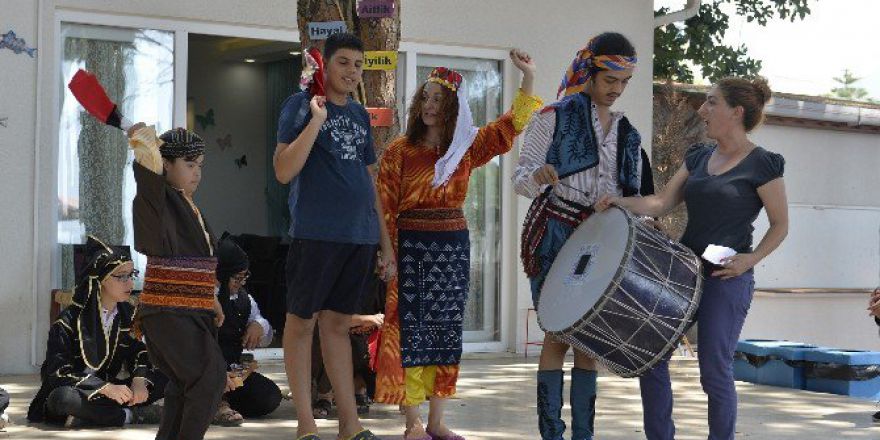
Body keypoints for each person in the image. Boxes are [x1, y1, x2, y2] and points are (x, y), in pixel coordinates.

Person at [594, 76, 788, 440]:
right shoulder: (698, 157)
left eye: (712, 102)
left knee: (714, 372)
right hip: (682, 272)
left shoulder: (763, 164)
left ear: (736, 112)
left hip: (726, 277)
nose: (702, 110)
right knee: (650, 357)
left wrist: (750, 259)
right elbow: (661, 203)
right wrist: (618, 202)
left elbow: (780, 225)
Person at [375, 49, 542, 440]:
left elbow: (511, 125)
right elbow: (382, 206)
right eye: (426, 97)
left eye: (438, 99)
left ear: (453, 107)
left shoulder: (465, 147)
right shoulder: (400, 150)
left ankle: (436, 422)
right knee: (410, 334)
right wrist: (387, 252)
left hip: (452, 250)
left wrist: (528, 76)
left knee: (446, 334)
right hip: (411, 249)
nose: (429, 105)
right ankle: (413, 423)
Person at [513, 32, 669, 440]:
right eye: (610, 80)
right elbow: (519, 178)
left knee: (590, 338)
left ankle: (583, 434)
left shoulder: (628, 133)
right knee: (557, 332)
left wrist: (640, 220)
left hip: (601, 241)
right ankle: (552, 433)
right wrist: (538, 175)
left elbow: (634, 195)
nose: (617, 90)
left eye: (624, 83)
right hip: (555, 232)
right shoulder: (552, 117)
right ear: (589, 72)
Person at [273, 32, 395, 440]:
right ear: (323, 64)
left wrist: (384, 243)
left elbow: (369, 180)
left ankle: (349, 424)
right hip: (315, 234)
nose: (352, 72)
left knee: (338, 325)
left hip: (359, 238)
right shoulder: (300, 105)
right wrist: (316, 120)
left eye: (358, 65)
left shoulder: (359, 114)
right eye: (343, 62)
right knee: (301, 324)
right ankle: (306, 423)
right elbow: (283, 170)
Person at [126, 123, 229, 440]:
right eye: (189, 164)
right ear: (165, 165)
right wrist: (144, 144)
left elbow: (195, 263)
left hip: (187, 310)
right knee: (209, 379)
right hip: (168, 311)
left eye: (200, 165)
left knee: (188, 386)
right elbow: (147, 172)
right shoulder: (156, 199)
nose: (197, 173)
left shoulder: (186, 204)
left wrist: (210, 298)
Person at [27, 236, 166, 428]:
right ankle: (129, 416)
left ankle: (91, 416)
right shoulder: (67, 322)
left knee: (168, 377)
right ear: (101, 280)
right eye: (122, 276)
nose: (130, 283)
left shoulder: (127, 314)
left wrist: (139, 379)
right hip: (80, 391)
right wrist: (103, 387)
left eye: (131, 275)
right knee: (62, 398)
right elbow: (57, 373)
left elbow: (139, 351)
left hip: (111, 391)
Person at [212, 234, 282, 426]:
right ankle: (216, 403)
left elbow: (265, 334)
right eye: (236, 278)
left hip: (232, 372)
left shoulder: (243, 300)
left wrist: (259, 326)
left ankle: (221, 401)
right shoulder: (203, 299)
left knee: (269, 396)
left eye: (244, 277)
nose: (242, 282)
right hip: (202, 371)